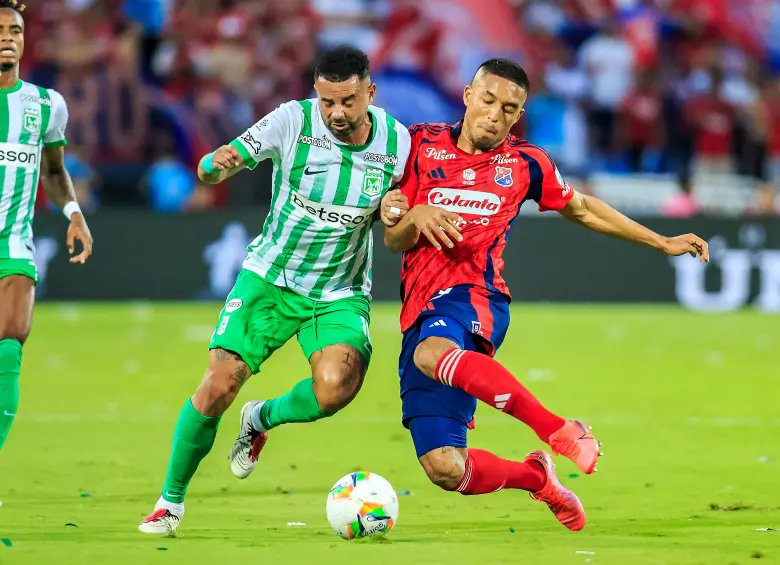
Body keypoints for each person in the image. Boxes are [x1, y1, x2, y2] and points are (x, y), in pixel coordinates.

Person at [383, 58, 709, 531]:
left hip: (475, 296)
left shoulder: (525, 163)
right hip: (419, 307)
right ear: (468, 95)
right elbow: (393, 240)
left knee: (433, 354)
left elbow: (582, 209)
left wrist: (660, 241)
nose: (495, 115)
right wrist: (408, 215)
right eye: (489, 100)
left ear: (519, 116)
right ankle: (538, 478)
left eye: (509, 109)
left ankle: (558, 429)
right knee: (444, 467)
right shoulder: (417, 144)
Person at [139, 45, 411, 535]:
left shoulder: (398, 142)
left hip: (338, 291)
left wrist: (393, 211)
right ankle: (169, 502)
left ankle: (260, 418)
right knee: (218, 384)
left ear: (369, 92)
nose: (337, 113)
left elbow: (397, 221)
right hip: (270, 278)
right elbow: (227, 159)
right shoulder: (292, 121)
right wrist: (214, 165)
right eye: (327, 101)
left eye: (348, 101)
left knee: (333, 392)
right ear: (315, 94)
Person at [0, 0, 93, 458]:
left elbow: (53, 171)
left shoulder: (45, 104)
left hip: (12, 244)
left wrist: (73, 212)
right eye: (0, 29)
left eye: (15, 30)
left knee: (9, 347)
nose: (7, 37)